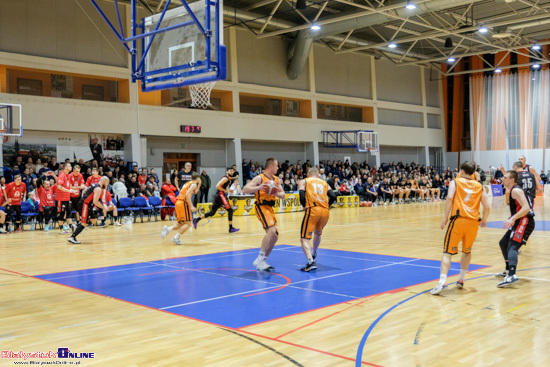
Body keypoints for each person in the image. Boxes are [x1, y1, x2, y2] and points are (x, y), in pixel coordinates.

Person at [430, 161, 491, 295]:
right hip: (473, 222)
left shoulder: (455, 182)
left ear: (462, 171)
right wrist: (485, 219)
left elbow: (450, 197)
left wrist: (445, 217)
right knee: (467, 251)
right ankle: (461, 278)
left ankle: (442, 281)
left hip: (458, 220)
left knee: (447, 252)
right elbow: (487, 206)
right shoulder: (480, 186)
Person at [242, 158, 285, 271]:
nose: (278, 168)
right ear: (271, 166)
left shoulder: (276, 179)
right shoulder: (260, 178)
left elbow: (283, 194)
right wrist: (258, 187)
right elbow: (245, 189)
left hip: (270, 208)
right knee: (271, 231)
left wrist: (276, 192)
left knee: (275, 236)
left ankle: (262, 260)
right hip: (261, 206)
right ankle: (260, 258)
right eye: (276, 166)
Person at [495, 170, 536, 287]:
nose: (503, 179)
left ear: (512, 180)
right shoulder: (513, 190)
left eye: (505, 177)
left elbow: (527, 208)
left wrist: (512, 218)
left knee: (512, 247)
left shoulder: (516, 190)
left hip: (525, 221)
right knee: (503, 243)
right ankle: (508, 270)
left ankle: (512, 275)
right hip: (519, 221)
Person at [298, 167, 336, 271]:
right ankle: (314, 252)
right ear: (317, 174)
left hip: (313, 210)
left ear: (308, 174)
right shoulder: (324, 183)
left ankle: (311, 262)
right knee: (318, 233)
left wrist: (304, 205)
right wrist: (327, 206)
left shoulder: (304, 181)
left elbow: (301, 195)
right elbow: (333, 196)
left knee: (304, 238)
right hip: (325, 211)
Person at [193, 168, 240, 233]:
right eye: (230, 171)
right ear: (227, 171)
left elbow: (224, 187)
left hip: (218, 195)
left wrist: (229, 190)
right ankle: (230, 228)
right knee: (230, 210)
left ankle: (197, 219)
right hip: (220, 195)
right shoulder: (225, 178)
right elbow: (217, 186)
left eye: (232, 171)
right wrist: (225, 190)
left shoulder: (228, 179)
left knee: (212, 212)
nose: (232, 172)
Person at [160, 173, 201, 245]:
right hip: (183, 204)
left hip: (178, 203)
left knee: (182, 223)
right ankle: (176, 238)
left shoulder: (187, 183)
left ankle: (168, 229)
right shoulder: (194, 184)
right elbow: (187, 194)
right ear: (198, 179)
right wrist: (191, 206)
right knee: (188, 223)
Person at [68, 177, 110, 244]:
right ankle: (72, 237)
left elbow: (85, 191)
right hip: (85, 204)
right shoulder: (98, 189)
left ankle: (77, 226)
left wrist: (103, 204)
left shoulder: (95, 185)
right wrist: (103, 207)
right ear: (104, 182)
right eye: (107, 184)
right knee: (84, 223)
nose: (107, 186)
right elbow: (95, 202)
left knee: (93, 220)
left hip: (87, 204)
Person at [56, 162, 79, 234]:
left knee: (69, 213)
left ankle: (72, 227)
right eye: (69, 166)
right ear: (65, 167)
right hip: (61, 198)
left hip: (67, 198)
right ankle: (60, 229)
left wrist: (75, 190)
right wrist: (69, 190)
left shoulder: (68, 176)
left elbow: (69, 186)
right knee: (62, 213)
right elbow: (59, 186)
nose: (71, 167)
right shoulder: (62, 175)